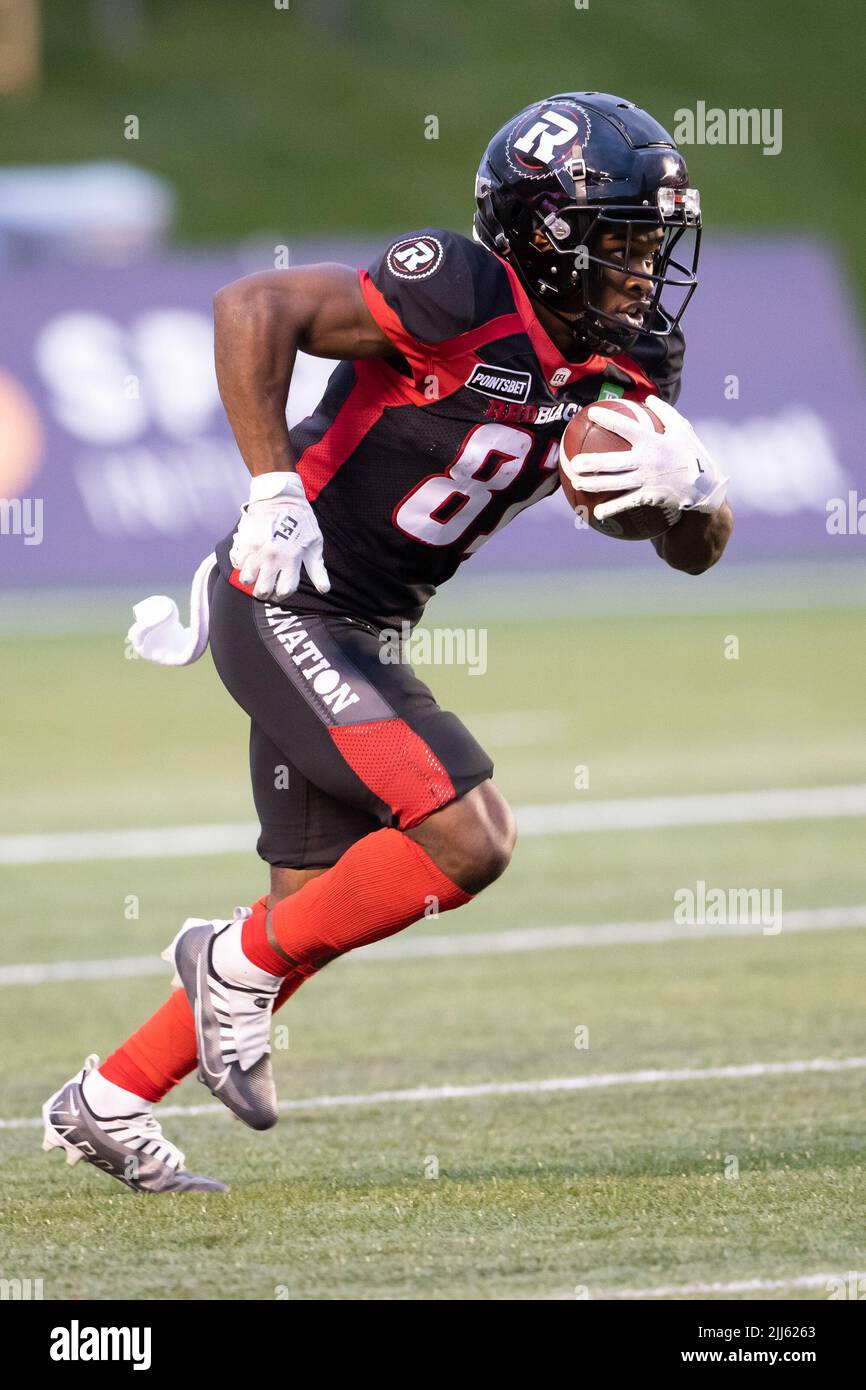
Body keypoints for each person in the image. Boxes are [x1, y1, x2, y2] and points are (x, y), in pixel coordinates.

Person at [42, 92, 732, 1192]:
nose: (644, 269)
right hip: (285, 596)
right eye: (622, 242)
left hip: (363, 624)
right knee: (469, 839)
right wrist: (273, 488)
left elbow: (693, 550)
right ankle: (220, 962)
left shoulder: (631, 355)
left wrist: (689, 497)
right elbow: (249, 303)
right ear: (546, 239)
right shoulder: (456, 290)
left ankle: (108, 1097)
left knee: (303, 917)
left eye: (654, 242)